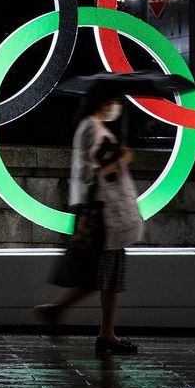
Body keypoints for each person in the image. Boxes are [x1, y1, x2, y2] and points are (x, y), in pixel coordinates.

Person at [34, 93, 144, 354]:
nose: (115, 106)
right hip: (104, 214)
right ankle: (61, 313)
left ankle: (105, 332)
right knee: (102, 274)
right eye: (113, 101)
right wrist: (122, 159)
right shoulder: (93, 129)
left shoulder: (90, 127)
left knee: (106, 275)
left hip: (105, 212)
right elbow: (93, 171)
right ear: (104, 101)